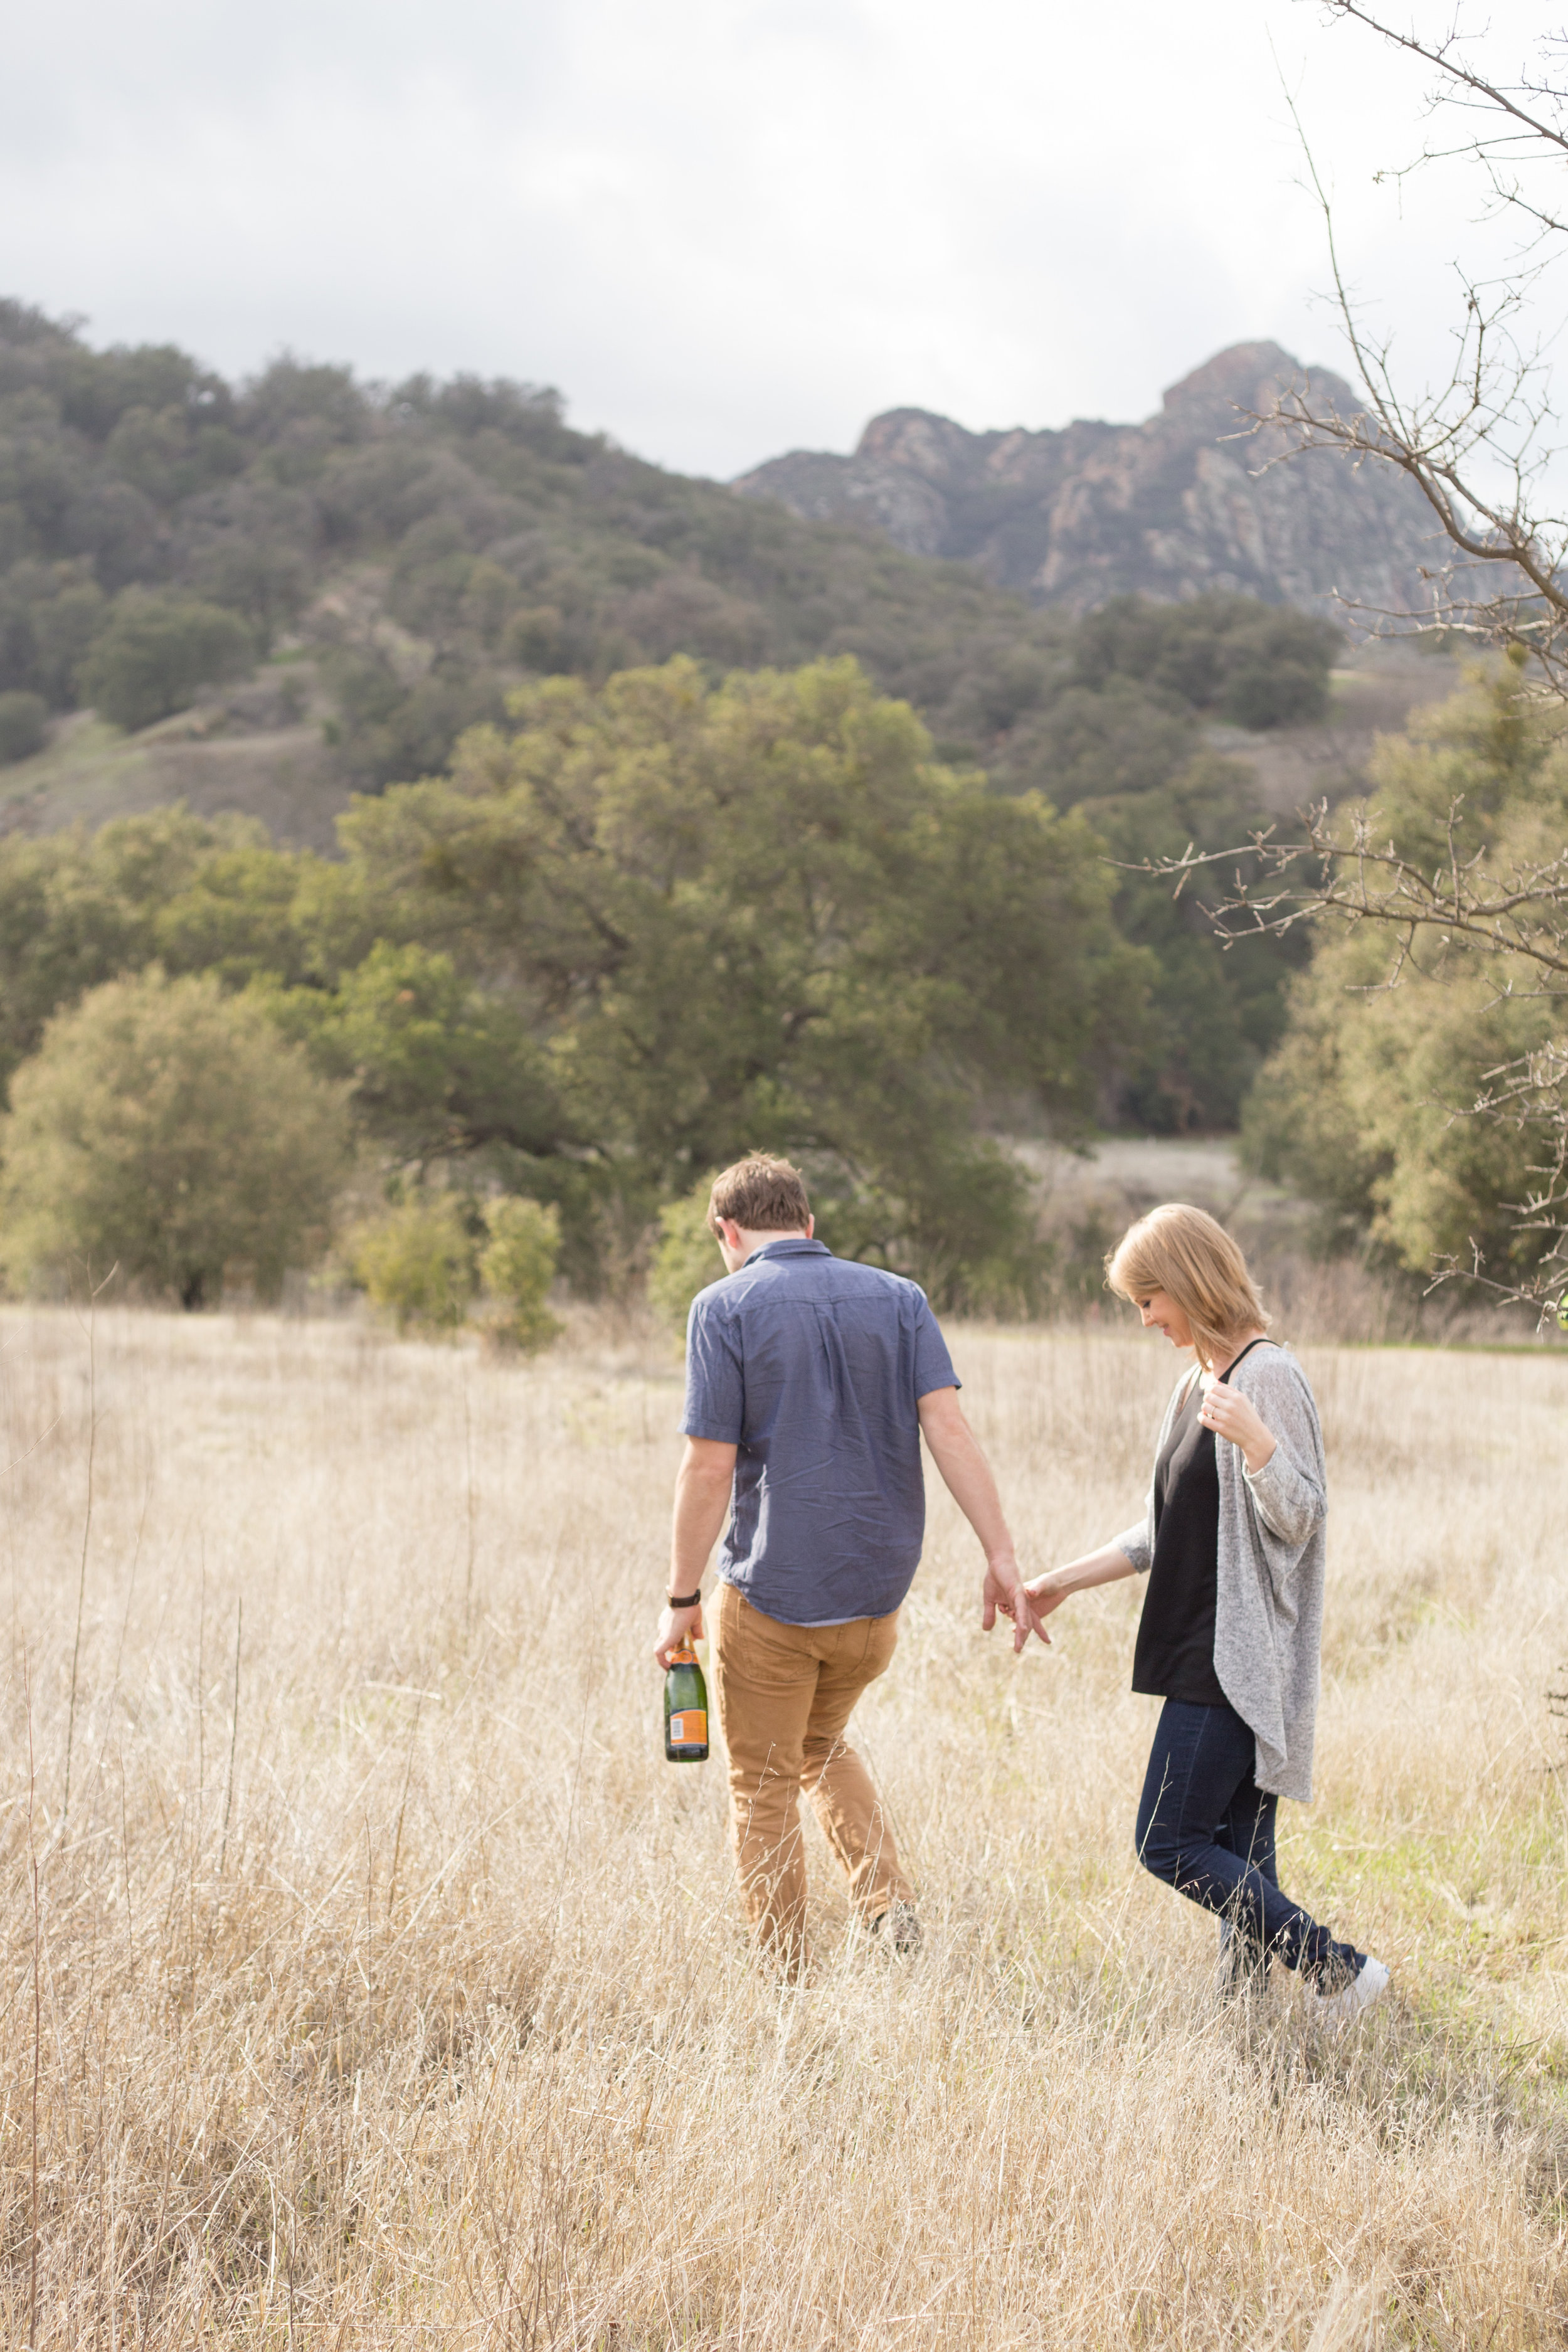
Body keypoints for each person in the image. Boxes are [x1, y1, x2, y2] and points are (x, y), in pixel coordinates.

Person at [654, 1152, 1044, 1969]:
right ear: (808, 1223)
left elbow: (707, 1466)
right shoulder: (901, 1299)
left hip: (774, 1599)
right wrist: (1001, 1555)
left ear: (728, 1231)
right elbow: (950, 1430)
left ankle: (781, 1983)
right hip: (876, 1601)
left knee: (759, 1787)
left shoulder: (722, 1307)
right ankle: (887, 1904)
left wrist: (680, 1595)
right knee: (820, 1743)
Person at [1014, 1202, 1389, 2023]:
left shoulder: (1268, 1377)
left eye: (1150, 1296)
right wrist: (1063, 1581)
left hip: (1235, 1657)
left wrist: (1259, 1442)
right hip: (1193, 1643)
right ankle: (1242, 2032)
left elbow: (1301, 1515)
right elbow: (1167, 1525)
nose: (1144, 1316)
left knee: (1168, 1842)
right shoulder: (1195, 1382)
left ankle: (1340, 1970)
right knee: (1244, 1856)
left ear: (1188, 1281)